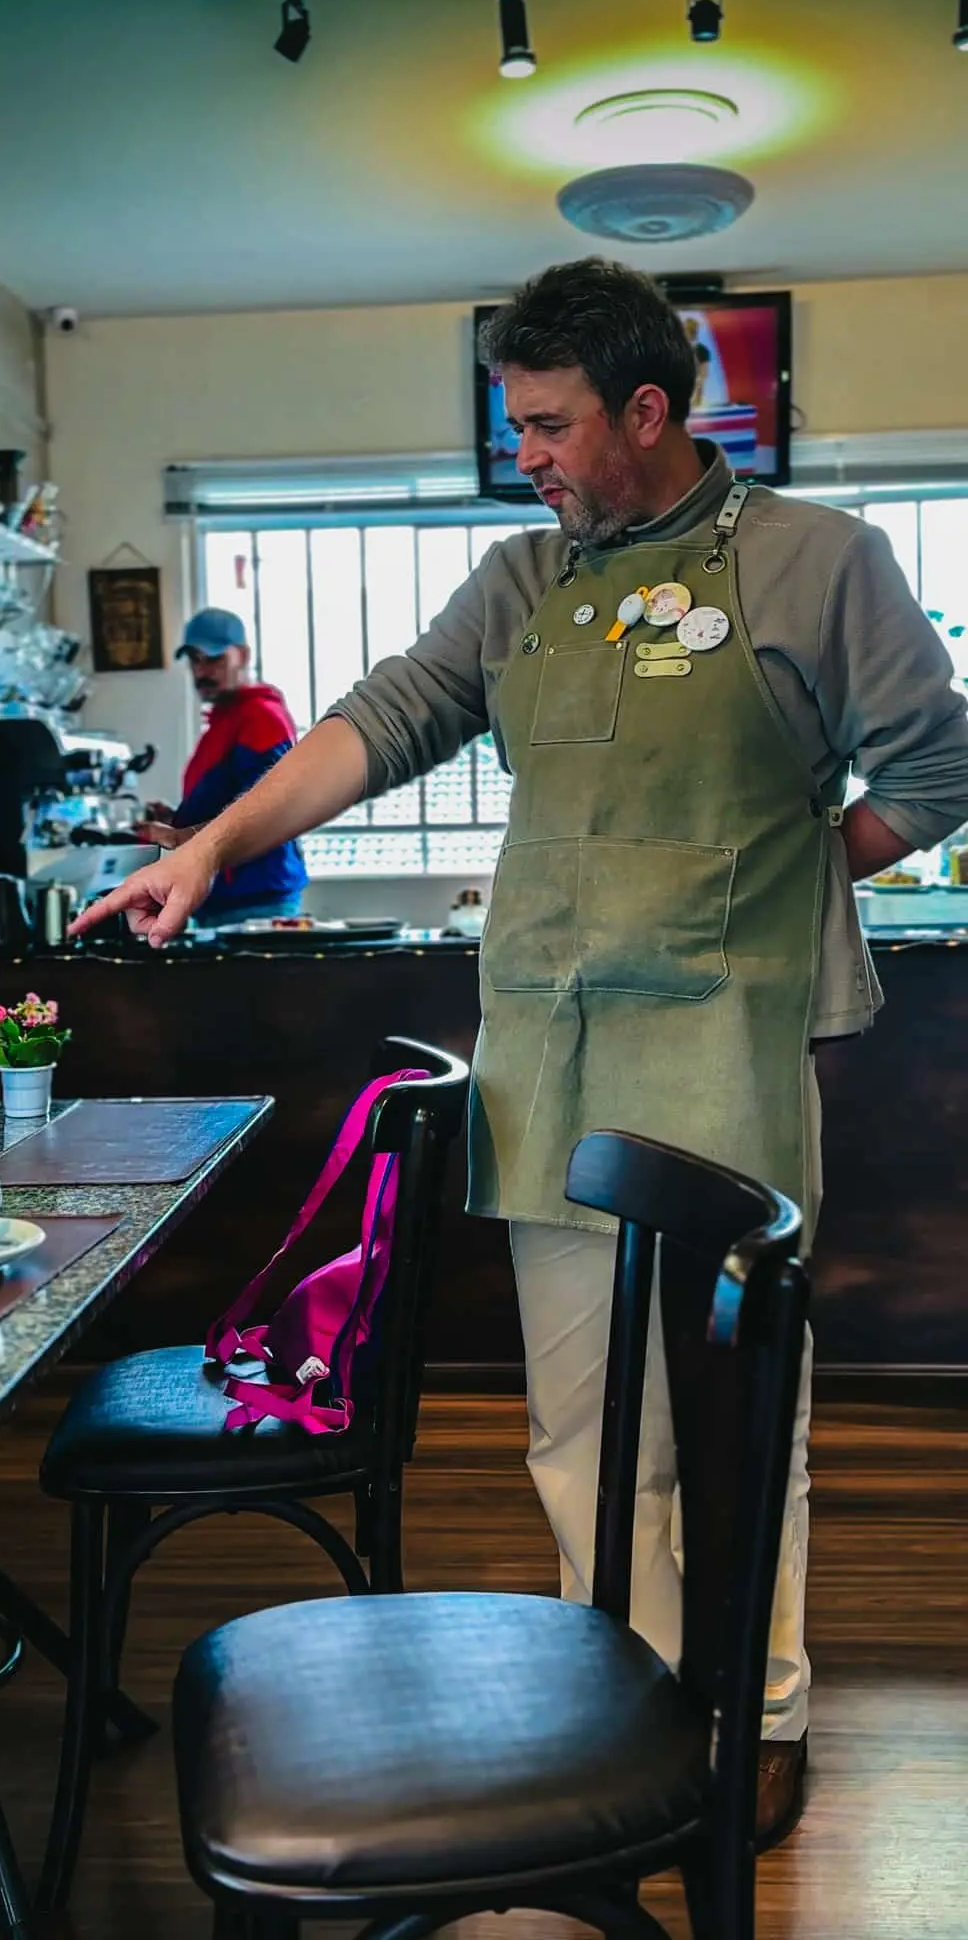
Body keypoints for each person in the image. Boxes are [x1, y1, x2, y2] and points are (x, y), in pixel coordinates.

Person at [71, 258, 968, 1841]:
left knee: (739, 1411)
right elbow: (383, 715)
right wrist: (208, 847)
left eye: (550, 423)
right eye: (514, 422)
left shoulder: (825, 562)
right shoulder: (517, 580)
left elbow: (942, 761)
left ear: (646, 408)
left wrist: (806, 868)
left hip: (727, 1069)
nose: (528, 454)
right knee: (582, 1428)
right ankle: (626, 1697)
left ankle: (760, 1712)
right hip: (548, 1060)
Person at [143, 606, 307, 924]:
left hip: (254, 902)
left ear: (242, 656)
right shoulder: (226, 720)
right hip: (227, 899)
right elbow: (229, 801)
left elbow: (262, 817)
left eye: (215, 659)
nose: (202, 671)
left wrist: (175, 836)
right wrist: (177, 818)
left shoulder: (258, 718)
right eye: (195, 660)